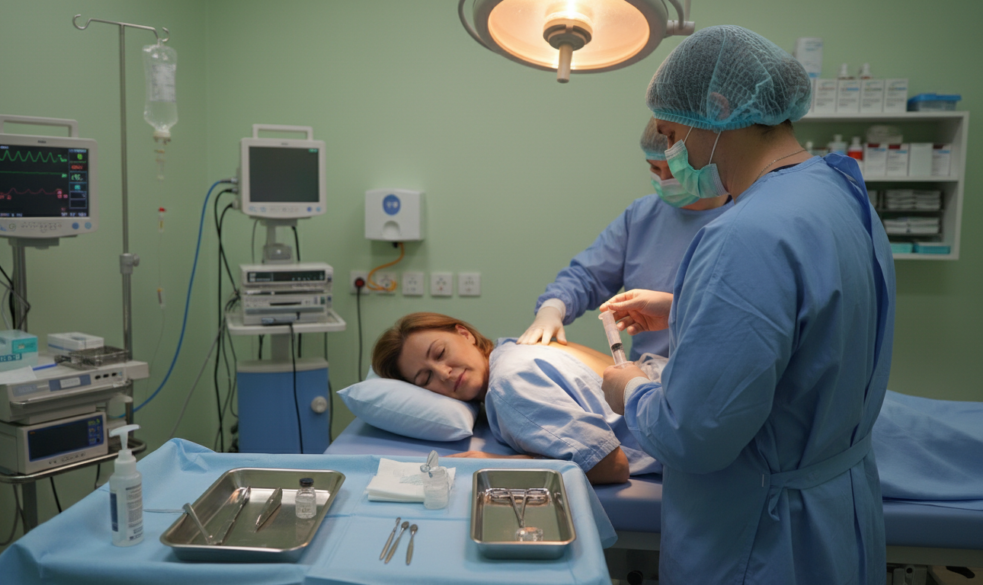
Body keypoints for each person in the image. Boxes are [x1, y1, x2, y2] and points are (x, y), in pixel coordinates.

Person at [598, 25, 895, 585]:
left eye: (668, 132)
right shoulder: (839, 191)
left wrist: (630, 389)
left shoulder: (744, 234)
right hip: (835, 511)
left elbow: (694, 433)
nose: (668, 150)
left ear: (716, 108)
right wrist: (686, 308)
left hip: (762, 535)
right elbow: (813, 324)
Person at [518, 118, 732, 359]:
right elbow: (588, 275)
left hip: (714, 374)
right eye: (654, 167)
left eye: (673, 171)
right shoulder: (642, 216)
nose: (663, 179)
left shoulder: (741, 220)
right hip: (646, 379)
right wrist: (552, 308)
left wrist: (677, 307)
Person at [372, 312, 661, 485]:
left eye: (440, 353)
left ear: (465, 333)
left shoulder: (508, 386)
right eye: (426, 379)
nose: (444, 374)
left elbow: (610, 466)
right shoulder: (512, 348)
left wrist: (501, 463)